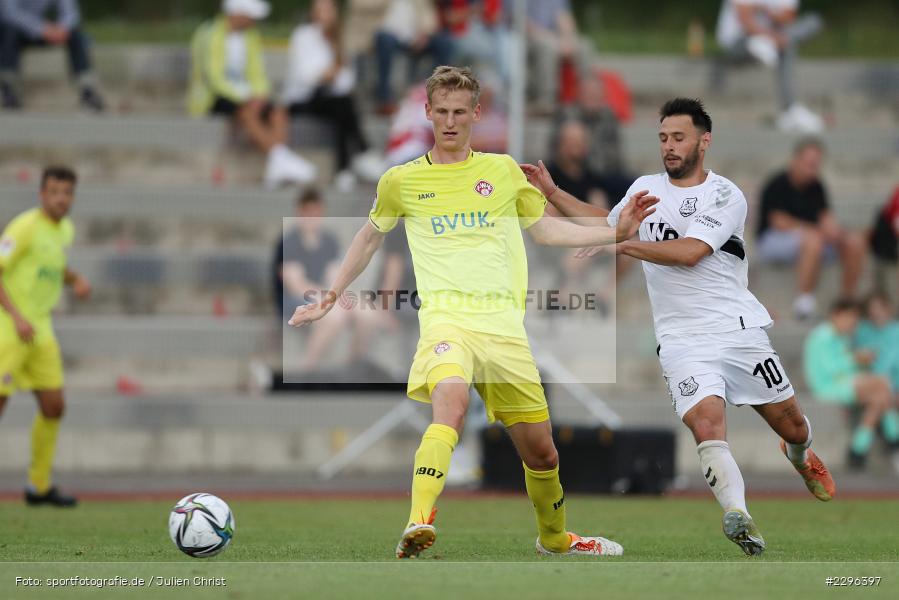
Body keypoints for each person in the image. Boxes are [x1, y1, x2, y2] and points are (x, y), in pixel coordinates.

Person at [289, 66, 658, 559]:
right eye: (440, 111)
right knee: (452, 406)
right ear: (427, 113)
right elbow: (369, 235)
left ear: (476, 114)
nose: (449, 121)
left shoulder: (501, 171)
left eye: (459, 112)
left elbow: (546, 231)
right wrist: (333, 294)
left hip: (503, 329)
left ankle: (555, 539)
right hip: (446, 322)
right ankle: (418, 523)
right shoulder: (402, 180)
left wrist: (613, 233)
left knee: (542, 451)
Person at [523, 98, 835, 556]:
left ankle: (801, 457)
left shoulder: (725, 195)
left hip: (737, 330)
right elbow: (605, 222)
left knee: (790, 426)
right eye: (663, 138)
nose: (669, 147)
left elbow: (690, 252)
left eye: (679, 138)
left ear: (703, 141)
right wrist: (552, 193)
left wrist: (625, 246)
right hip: (680, 340)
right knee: (707, 425)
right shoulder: (645, 189)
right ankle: (739, 516)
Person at [0, 166, 91, 507]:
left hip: (41, 331)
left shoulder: (63, 229)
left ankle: (38, 486)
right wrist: (16, 316)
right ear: (41, 195)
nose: (60, 199)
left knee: (54, 407)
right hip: (10, 328)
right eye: (54, 192)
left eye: (66, 192)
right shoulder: (24, 227)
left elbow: (53, 264)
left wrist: (75, 279)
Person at [187, 0, 316, 187]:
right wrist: (247, 97)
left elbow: (257, 73)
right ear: (237, 13)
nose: (253, 20)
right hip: (214, 97)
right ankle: (280, 159)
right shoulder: (210, 34)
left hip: (244, 95)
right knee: (248, 112)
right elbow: (214, 79)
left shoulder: (250, 36)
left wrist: (259, 95)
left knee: (277, 111)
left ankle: (277, 162)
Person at [756, 138, 866, 320]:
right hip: (772, 241)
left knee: (854, 242)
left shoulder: (817, 186)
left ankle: (848, 301)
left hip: (810, 240)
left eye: (816, 164)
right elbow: (778, 222)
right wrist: (815, 230)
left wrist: (835, 232)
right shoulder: (777, 183)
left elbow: (825, 217)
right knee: (812, 239)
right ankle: (804, 301)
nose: (813, 168)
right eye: (809, 163)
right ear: (795, 160)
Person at [283, 0, 385, 193]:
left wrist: (334, 60)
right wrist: (329, 73)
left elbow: (345, 82)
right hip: (302, 99)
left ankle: (345, 170)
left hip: (330, 99)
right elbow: (306, 77)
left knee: (342, 106)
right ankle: (359, 155)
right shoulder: (303, 36)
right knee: (342, 105)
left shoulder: (338, 41)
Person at [804, 298, 898, 470]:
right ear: (837, 315)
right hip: (827, 386)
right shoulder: (822, 337)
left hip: (842, 384)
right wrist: (857, 359)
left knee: (879, 398)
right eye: (849, 319)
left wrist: (859, 362)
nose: (852, 325)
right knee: (881, 383)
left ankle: (857, 450)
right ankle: (893, 437)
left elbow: (847, 370)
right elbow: (832, 370)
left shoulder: (840, 337)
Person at [715, 0, 823, 132]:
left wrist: (767, 12)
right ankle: (790, 109)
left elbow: (788, 17)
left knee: (813, 22)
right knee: (786, 45)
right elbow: (744, 18)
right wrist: (771, 36)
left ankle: (790, 112)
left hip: (772, 38)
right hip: (738, 41)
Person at [0, 0, 104, 111]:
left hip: (47, 30)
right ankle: (8, 90)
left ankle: (87, 90)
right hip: (20, 28)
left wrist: (62, 29)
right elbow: (9, 13)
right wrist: (41, 28)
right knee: (9, 31)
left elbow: (72, 13)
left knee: (75, 34)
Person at [373, 0, 454, 115]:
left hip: (417, 37)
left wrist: (425, 34)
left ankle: (438, 92)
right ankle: (385, 99)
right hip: (392, 37)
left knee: (445, 42)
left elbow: (430, 19)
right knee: (384, 39)